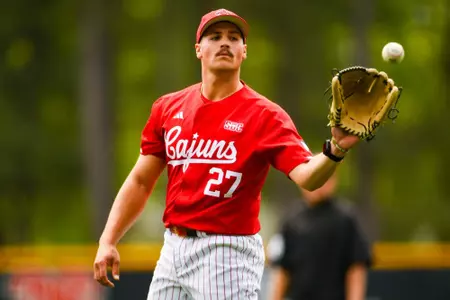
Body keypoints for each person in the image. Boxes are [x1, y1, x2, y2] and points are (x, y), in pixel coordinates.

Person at [93, 8, 361, 299]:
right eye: (215, 36)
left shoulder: (265, 115)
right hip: (173, 246)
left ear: (244, 51)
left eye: (234, 38)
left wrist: (335, 149)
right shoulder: (168, 108)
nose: (225, 42)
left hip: (227, 253)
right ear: (198, 49)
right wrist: (108, 240)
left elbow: (308, 177)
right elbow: (141, 181)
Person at [266, 172, 372, 300]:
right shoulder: (291, 219)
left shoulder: (345, 218)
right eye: (313, 177)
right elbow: (282, 270)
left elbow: (356, 268)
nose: (319, 184)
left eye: (324, 178)